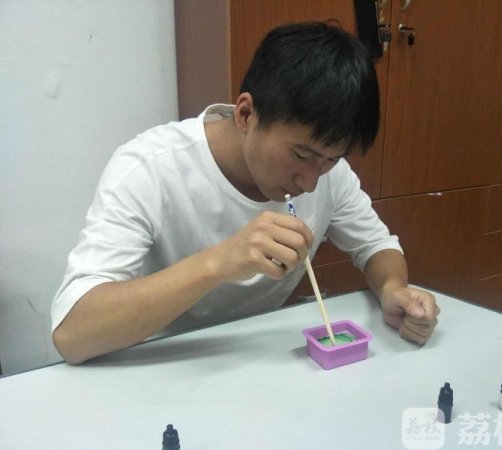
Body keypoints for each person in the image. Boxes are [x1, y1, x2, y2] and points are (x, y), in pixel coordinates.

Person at [51, 22, 439, 365]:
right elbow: (72, 334)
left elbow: (376, 246)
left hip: (263, 360)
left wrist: (393, 288)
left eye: (330, 159)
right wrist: (219, 262)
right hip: (163, 364)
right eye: (300, 154)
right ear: (246, 114)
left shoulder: (327, 173)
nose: (310, 182)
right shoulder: (149, 169)